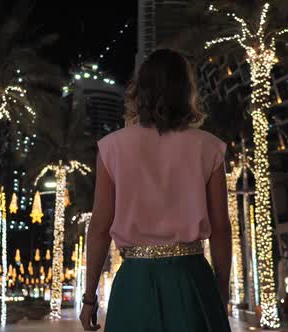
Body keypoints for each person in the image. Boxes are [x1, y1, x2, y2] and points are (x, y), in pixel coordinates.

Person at [79, 49, 232, 332]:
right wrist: (221, 291)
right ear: (186, 90)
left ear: (140, 91)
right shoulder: (209, 147)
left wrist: (90, 299)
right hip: (192, 279)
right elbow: (221, 227)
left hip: (134, 281)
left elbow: (100, 227)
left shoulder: (112, 148)